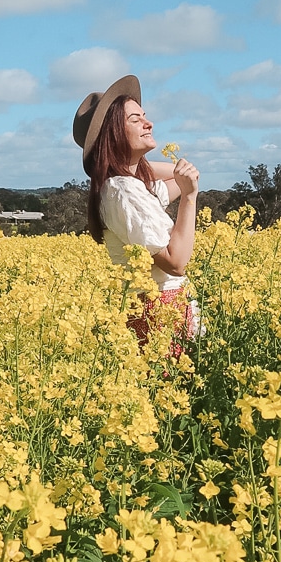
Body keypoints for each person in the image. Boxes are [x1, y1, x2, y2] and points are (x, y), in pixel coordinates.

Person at [73, 74, 200, 355]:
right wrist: (190, 197)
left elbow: (180, 178)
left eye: (145, 116)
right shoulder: (123, 191)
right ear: (113, 134)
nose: (149, 123)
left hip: (160, 309)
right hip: (158, 314)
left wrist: (130, 163)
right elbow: (175, 262)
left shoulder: (128, 187)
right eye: (135, 119)